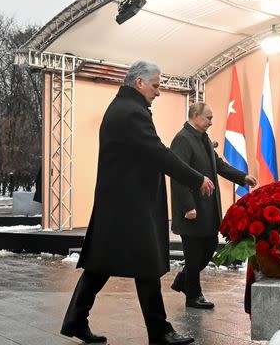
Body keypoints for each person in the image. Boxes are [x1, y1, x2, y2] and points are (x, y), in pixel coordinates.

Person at [61, 60, 215, 345]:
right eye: (155, 86)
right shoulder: (132, 113)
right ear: (139, 82)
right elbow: (158, 153)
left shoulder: (124, 108)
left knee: (101, 264)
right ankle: (159, 332)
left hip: (120, 203)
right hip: (131, 205)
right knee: (147, 266)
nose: (158, 92)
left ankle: (75, 320)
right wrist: (196, 179)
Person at [170, 102, 257, 309]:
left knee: (208, 249)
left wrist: (242, 177)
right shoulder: (182, 140)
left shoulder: (203, 138)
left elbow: (218, 165)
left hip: (208, 208)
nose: (211, 122)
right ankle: (193, 296)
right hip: (192, 210)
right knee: (193, 255)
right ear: (196, 115)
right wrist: (187, 207)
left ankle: (183, 281)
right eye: (208, 118)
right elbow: (178, 176)